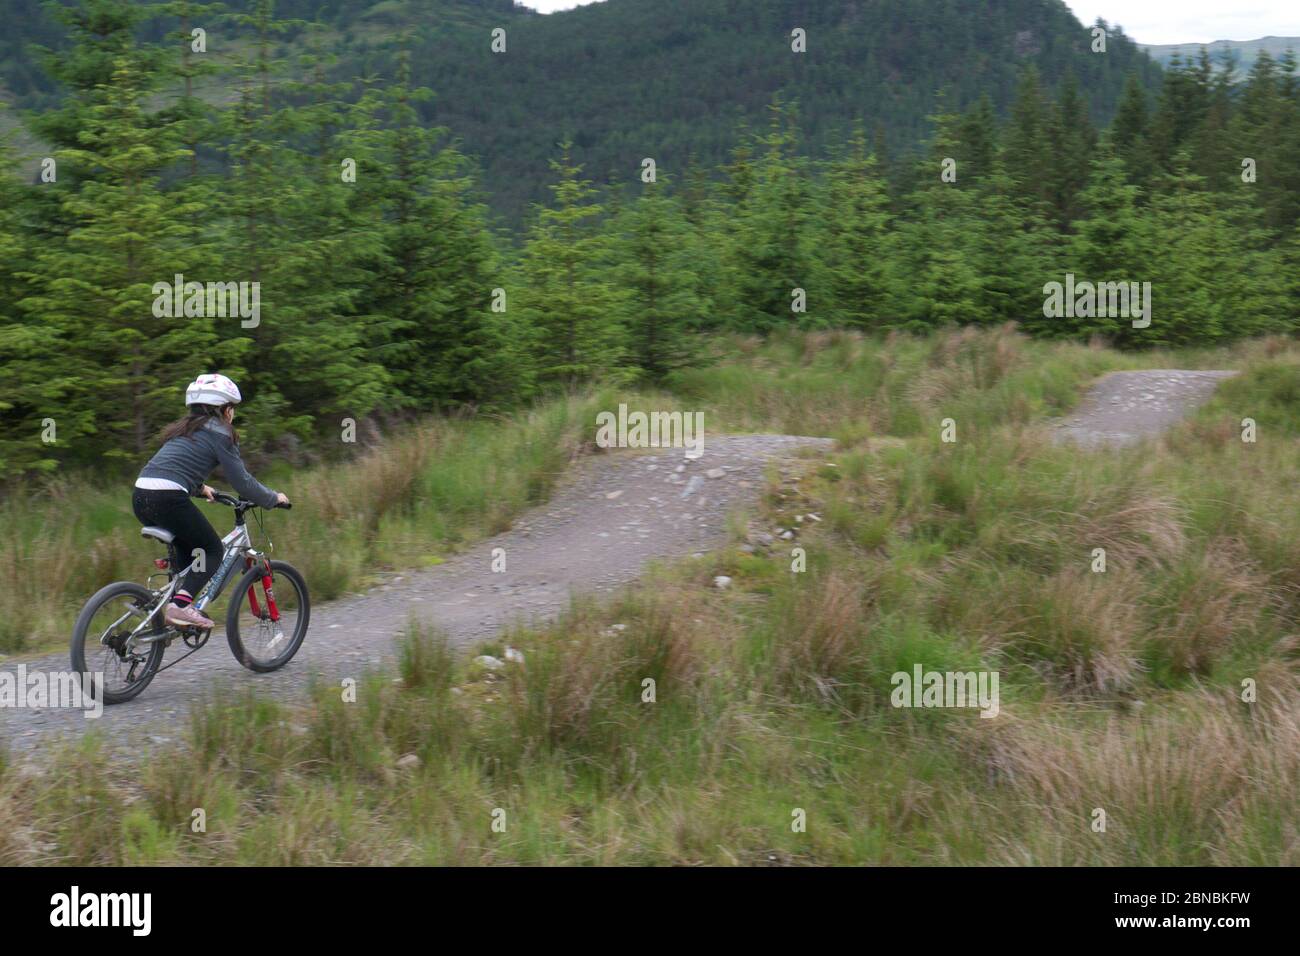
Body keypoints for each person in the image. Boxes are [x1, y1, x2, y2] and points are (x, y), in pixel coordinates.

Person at [132, 374, 289, 630]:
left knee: (190, 553)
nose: (233, 414)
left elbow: (173, 468)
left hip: (141, 495)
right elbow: (243, 483)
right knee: (212, 550)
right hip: (169, 498)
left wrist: (200, 488)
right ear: (223, 409)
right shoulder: (222, 433)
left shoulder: (182, 431)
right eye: (232, 408)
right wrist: (273, 498)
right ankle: (181, 606)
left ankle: (171, 611)